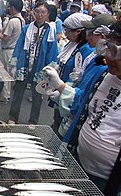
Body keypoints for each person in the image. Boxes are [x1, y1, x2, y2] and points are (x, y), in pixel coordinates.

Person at [42, 21, 121, 195]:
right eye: (108, 48)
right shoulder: (105, 75)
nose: (109, 57)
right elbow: (82, 101)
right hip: (80, 162)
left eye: (116, 52)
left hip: (108, 180)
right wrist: (61, 87)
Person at [8, 1, 58, 124]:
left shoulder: (50, 31)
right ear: (33, 12)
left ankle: (33, 121)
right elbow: (19, 46)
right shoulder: (26, 29)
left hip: (40, 67)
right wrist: (14, 63)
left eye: (43, 12)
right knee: (18, 92)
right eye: (37, 11)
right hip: (24, 64)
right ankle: (12, 117)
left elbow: (52, 51)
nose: (40, 15)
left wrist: (50, 69)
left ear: (47, 14)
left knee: (37, 95)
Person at [49, 12, 94, 133]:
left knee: (62, 127)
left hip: (71, 95)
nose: (65, 34)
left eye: (68, 31)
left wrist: (63, 89)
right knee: (57, 120)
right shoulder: (72, 44)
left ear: (78, 31)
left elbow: (79, 77)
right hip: (62, 91)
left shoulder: (87, 49)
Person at [0, 0, 25, 102]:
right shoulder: (22, 20)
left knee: (4, 74)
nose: (9, 9)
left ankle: (4, 96)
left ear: (13, 8)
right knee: (9, 73)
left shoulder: (13, 21)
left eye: (10, 7)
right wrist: (0, 30)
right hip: (14, 50)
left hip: (7, 50)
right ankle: (7, 95)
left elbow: (5, 38)